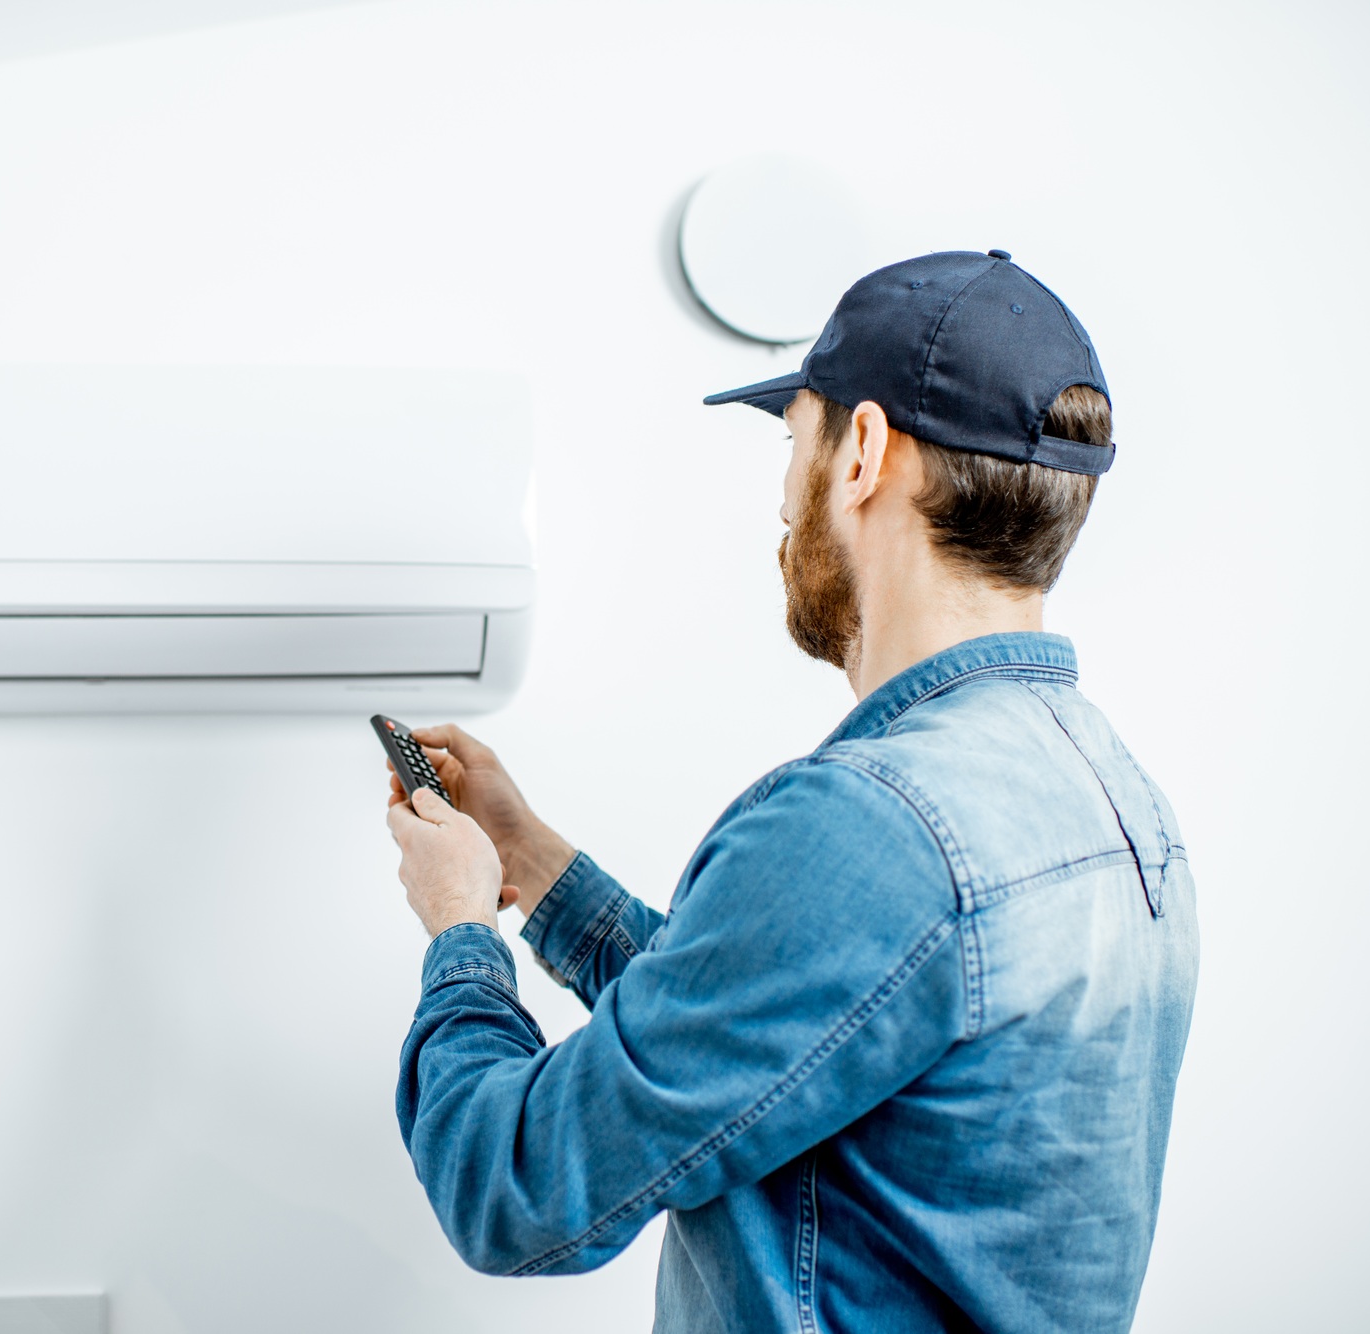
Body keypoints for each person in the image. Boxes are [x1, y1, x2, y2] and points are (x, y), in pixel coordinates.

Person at [382, 250, 1199, 1333]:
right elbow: (792, 1036)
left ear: (860, 450)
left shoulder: (874, 820)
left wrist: (456, 928)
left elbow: (516, 1187)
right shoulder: (1118, 802)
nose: (781, 492)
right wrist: (528, 862)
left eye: (791, 440)